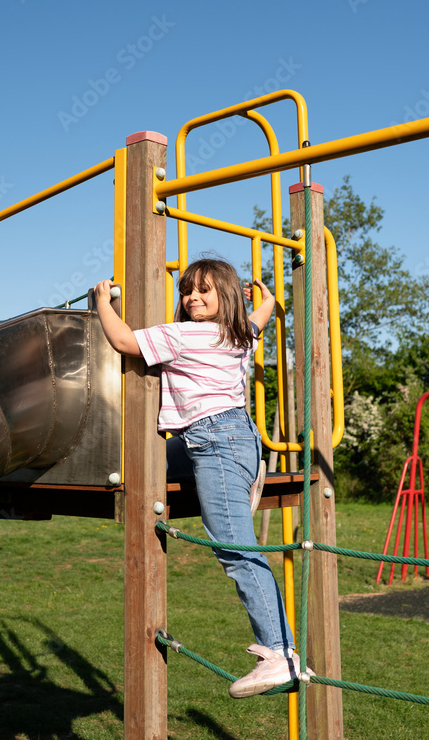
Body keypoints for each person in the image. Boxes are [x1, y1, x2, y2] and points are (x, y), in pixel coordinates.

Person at [94, 257, 304, 698]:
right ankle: (245, 474)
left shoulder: (184, 335)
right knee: (142, 463)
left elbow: (123, 340)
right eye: (188, 291)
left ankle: (280, 653)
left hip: (215, 443)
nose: (192, 298)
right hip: (220, 438)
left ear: (224, 296)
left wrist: (102, 302)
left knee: (235, 548)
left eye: (205, 291)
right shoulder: (240, 333)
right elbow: (260, 319)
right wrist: (263, 298)